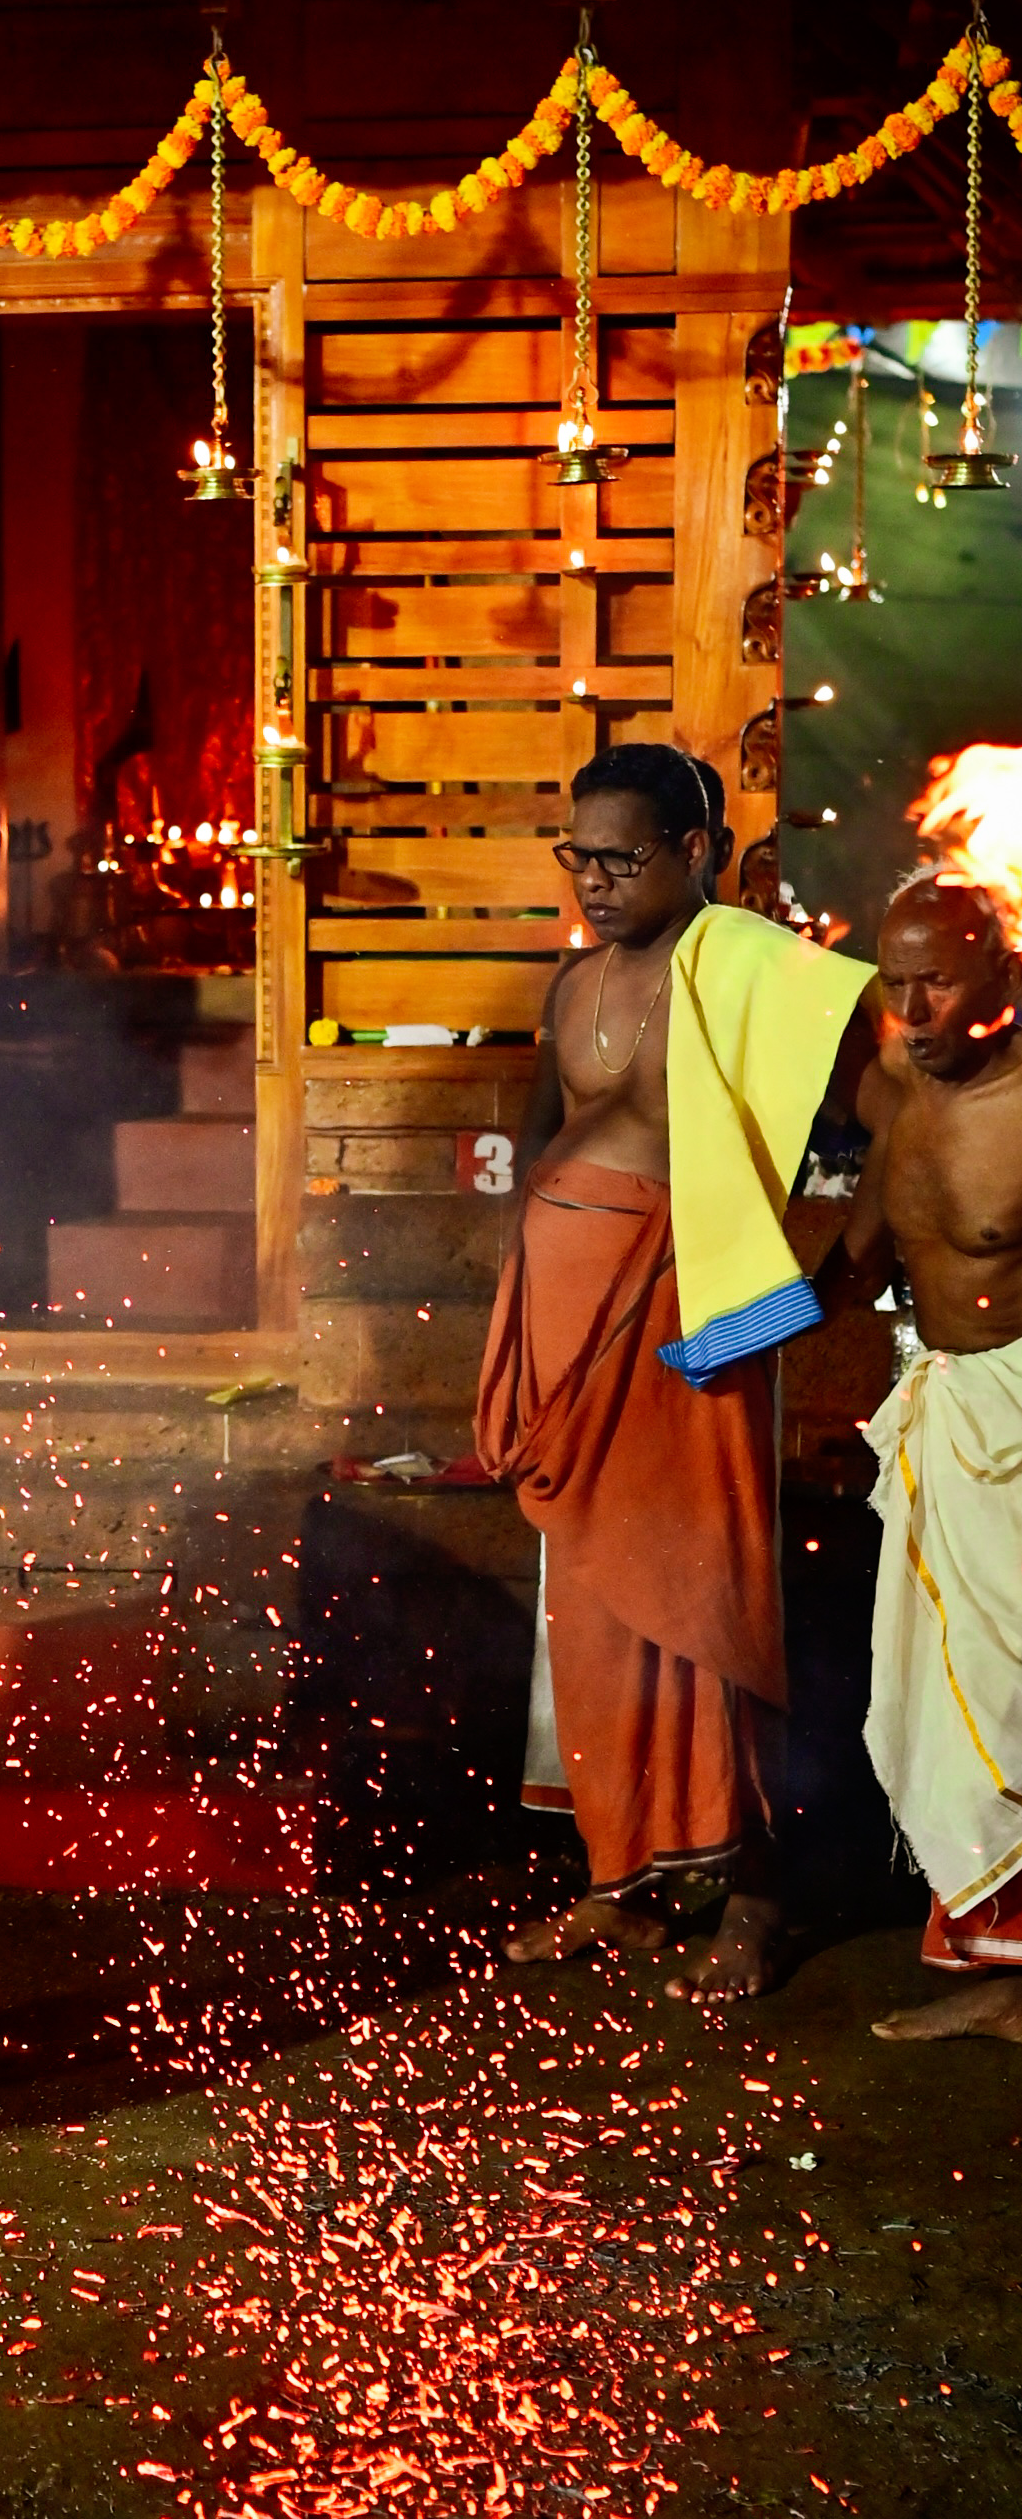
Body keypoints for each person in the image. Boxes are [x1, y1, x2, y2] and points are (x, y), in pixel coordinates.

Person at [477, 743, 872, 1995]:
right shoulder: (571, 982)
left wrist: (793, 1301)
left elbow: (894, 1110)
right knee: (589, 1606)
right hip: (563, 1307)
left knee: (709, 1590)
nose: (592, 881)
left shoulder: (757, 971)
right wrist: (522, 1288)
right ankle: (621, 1882)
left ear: (696, 852)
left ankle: (753, 1891)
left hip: (695, 1313)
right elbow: (543, 1129)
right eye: (576, 856)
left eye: (620, 857)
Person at [818, 866, 1022, 2044]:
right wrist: (721, 1346)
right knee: (959, 1709)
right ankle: (1010, 1976)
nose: (916, 1010)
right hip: (945, 1414)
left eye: (939, 980)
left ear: (1001, 972)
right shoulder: (896, 1083)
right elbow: (853, 1260)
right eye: (897, 986)